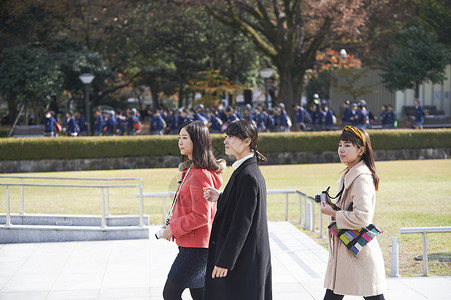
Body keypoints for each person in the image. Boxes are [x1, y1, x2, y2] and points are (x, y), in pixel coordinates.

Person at [203, 120, 273, 300]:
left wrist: (225, 260)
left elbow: (242, 223)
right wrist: (221, 196)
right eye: (226, 136)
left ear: (247, 141)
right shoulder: (245, 170)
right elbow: (242, 205)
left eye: (232, 137)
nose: (226, 141)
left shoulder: (248, 175)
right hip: (246, 257)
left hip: (244, 259)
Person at [320, 126, 386, 300]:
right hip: (349, 250)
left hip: (357, 251)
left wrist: (334, 213)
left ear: (361, 150)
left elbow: (362, 216)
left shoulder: (361, 177)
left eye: (348, 145)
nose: (341, 149)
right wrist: (333, 208)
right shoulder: (350, 172)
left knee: (372, 295)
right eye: (340, 144)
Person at [161, 121, 225, 300]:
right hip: (193, 244)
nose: (180, 142)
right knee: (199, 295)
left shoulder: (199, 174)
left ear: (197, 141)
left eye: (184, 138)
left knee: (170, 294)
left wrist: (174, 227)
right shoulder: (191, 170)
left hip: (196, 248)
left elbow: (201, 216)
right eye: (179, 138)